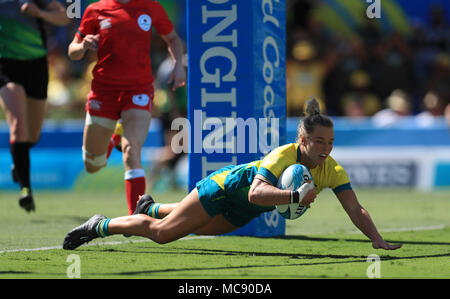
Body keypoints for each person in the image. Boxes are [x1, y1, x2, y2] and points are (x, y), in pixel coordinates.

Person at [63, 98, 402, 251]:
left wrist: (375, 237)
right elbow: (257, 192)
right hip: (223, 190)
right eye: (318, 141)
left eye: (330, 142)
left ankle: (151, 207)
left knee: (191, 226)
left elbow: (354, 208)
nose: (325, 148)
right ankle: (100, 225)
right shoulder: (283, 155)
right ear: (303, 140)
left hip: (243, 212)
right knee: (165, 235)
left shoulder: (332, 169)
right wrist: (295, 196)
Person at [67, 0, 186, 215]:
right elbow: (72, 51)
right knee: (92, 164)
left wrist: (178, 66)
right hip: (103, 93)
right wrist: (83, 46)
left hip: (138, 91)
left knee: (132, 153)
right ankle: (114, 137)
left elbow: (173, 39)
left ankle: (135, 216)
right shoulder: (96, 10)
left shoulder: (150, 7)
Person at [0, 0, 69, 212]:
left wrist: (39, 12)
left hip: (36, 66)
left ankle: (18, 162)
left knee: (33, 135)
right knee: (18, 125)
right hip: (5, 66)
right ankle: (25, 189)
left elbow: (64, 17)